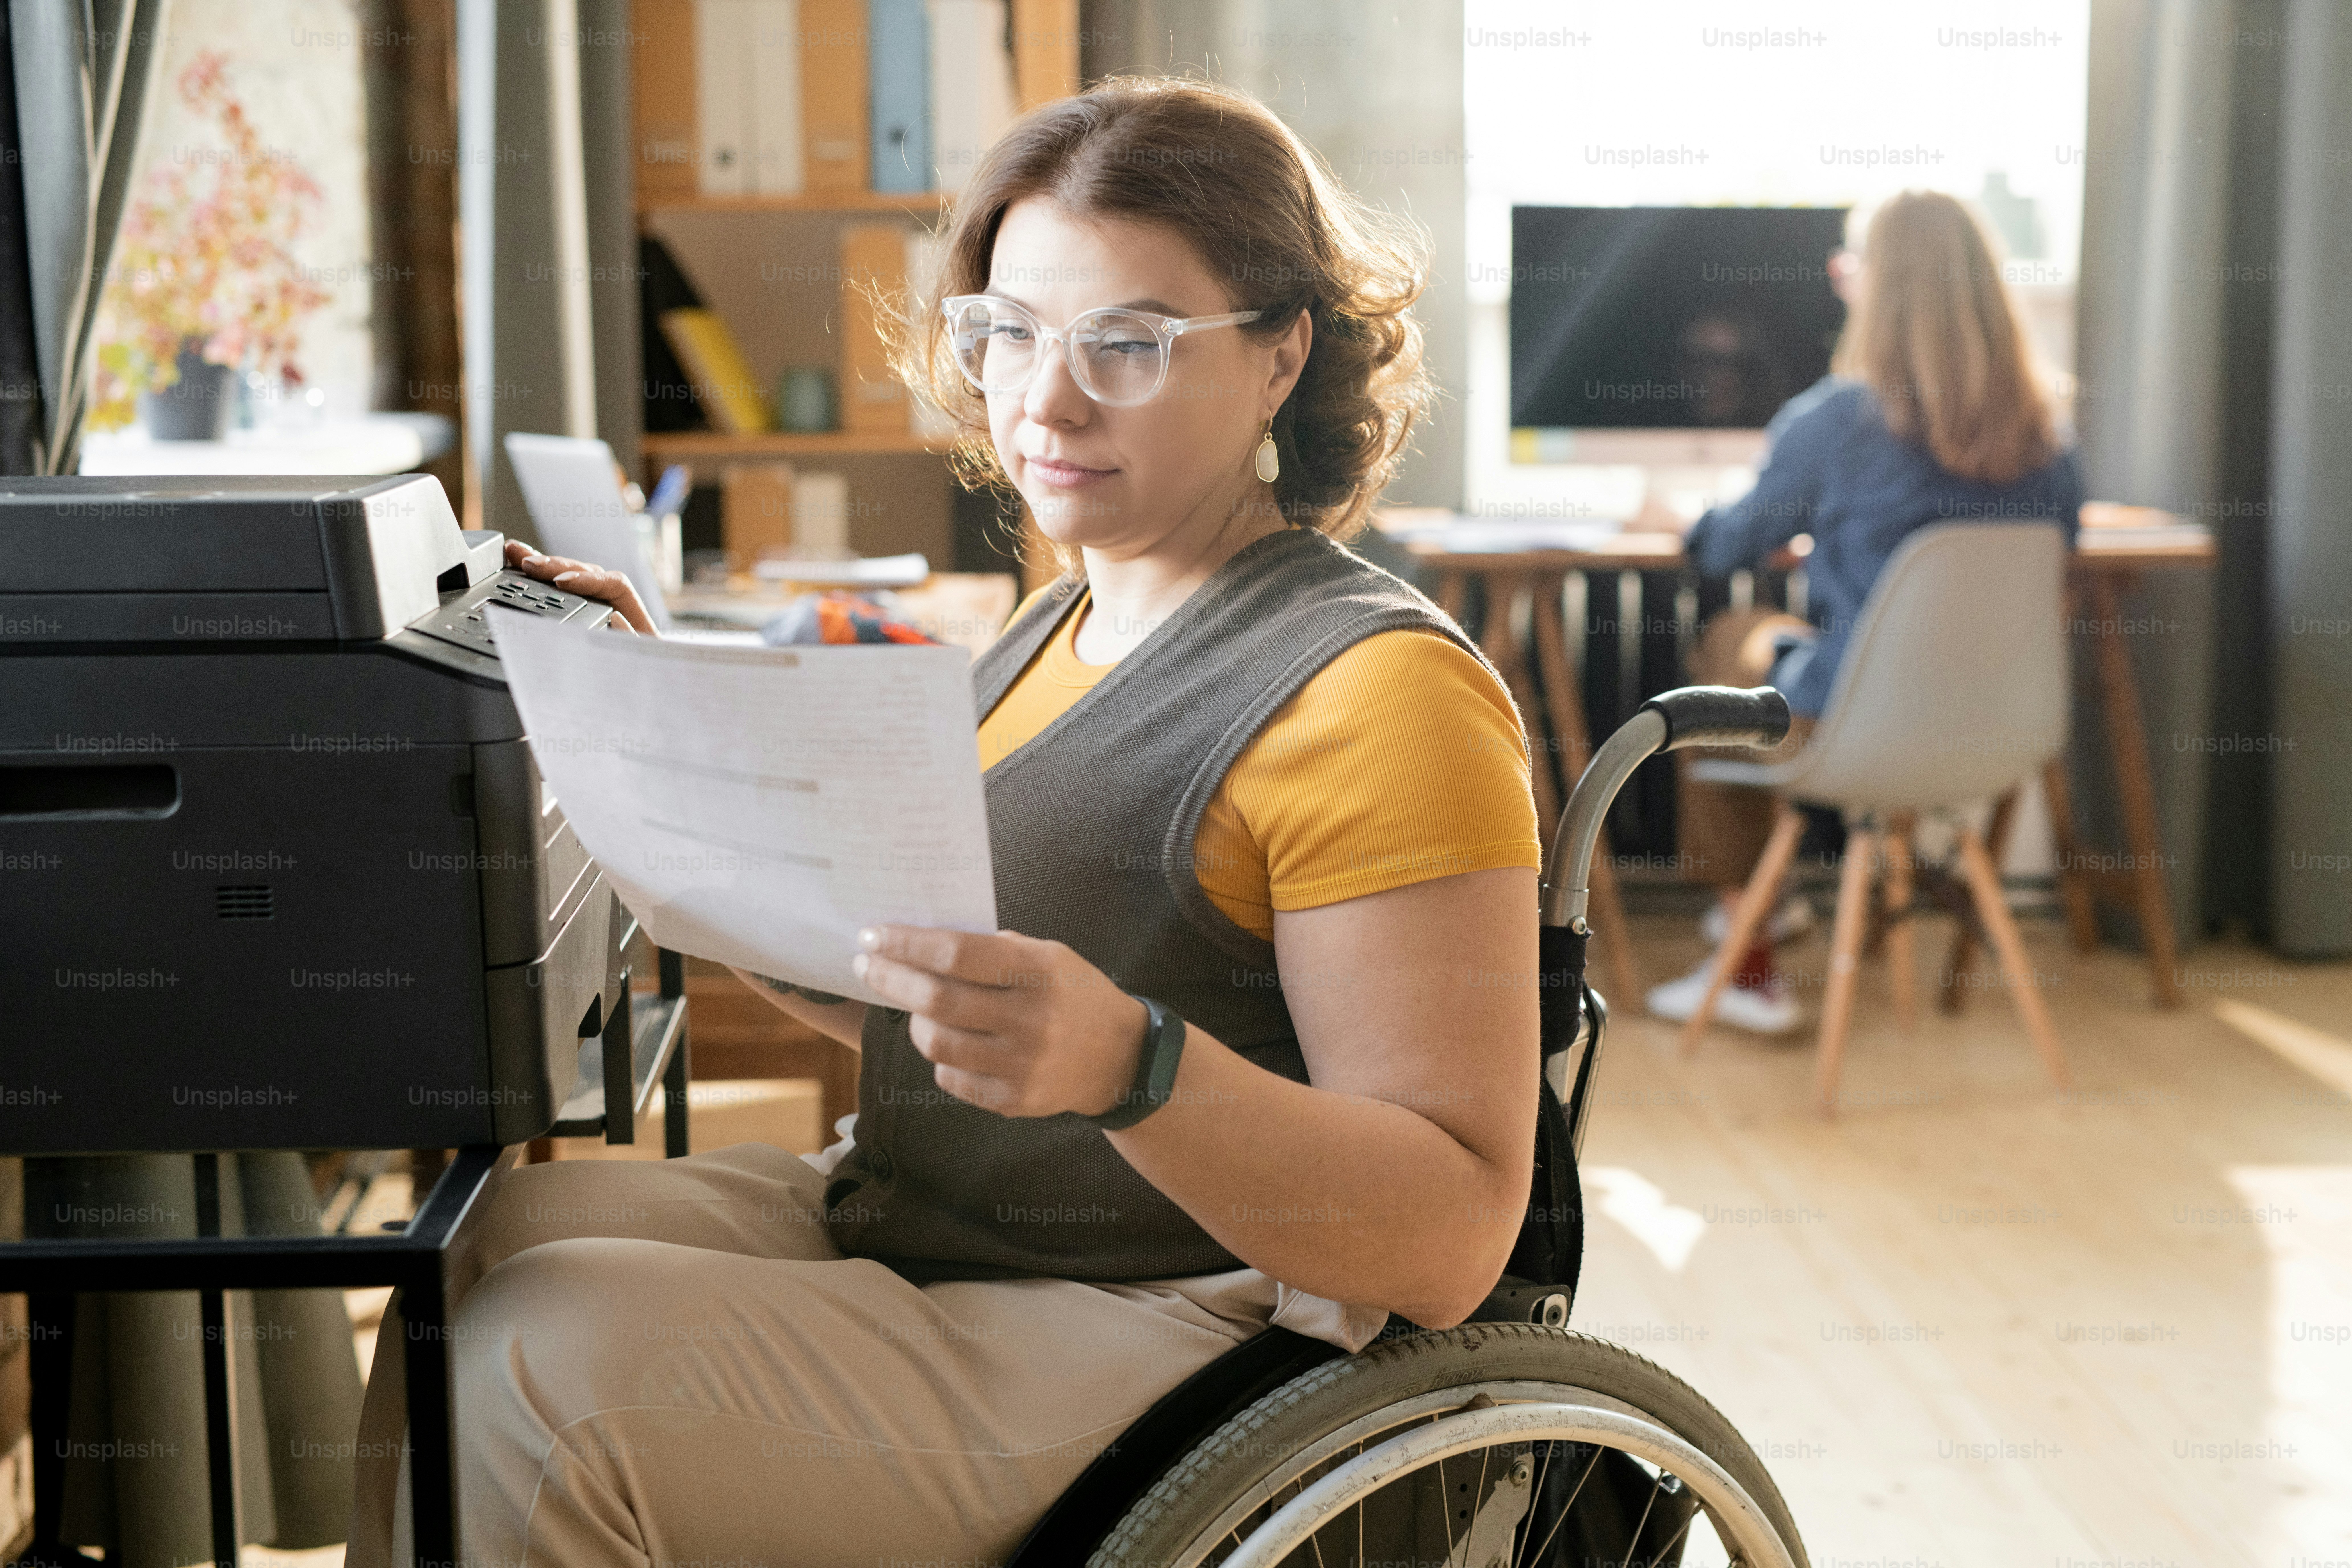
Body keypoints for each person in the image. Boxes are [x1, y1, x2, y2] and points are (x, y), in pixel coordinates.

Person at [350, 78, 1545, 1565]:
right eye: (1007, 333)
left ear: (1280, 356)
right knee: (473, 1264)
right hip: (941, 1222)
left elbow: (1448, 1234)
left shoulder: (1385, 696)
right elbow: (928, 982)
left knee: (535, 1376)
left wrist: (1132, 1065)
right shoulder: (1056, 628)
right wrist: (662, 746)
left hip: (1179, 1320)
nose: (1043, 400)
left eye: (1128, 344)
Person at [1632, 190, 2083, 1035]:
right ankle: (1766, 920)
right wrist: (1845, 551)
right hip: (2000, 731)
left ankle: (1751, 950)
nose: (1841, 280)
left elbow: (1728, 549)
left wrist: (1678, 520)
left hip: (1858, 723)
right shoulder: (2046, 435)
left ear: (1881, 287)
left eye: (1851, 264)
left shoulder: (1838, 419)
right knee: (1790, 643)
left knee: (1735, 635)